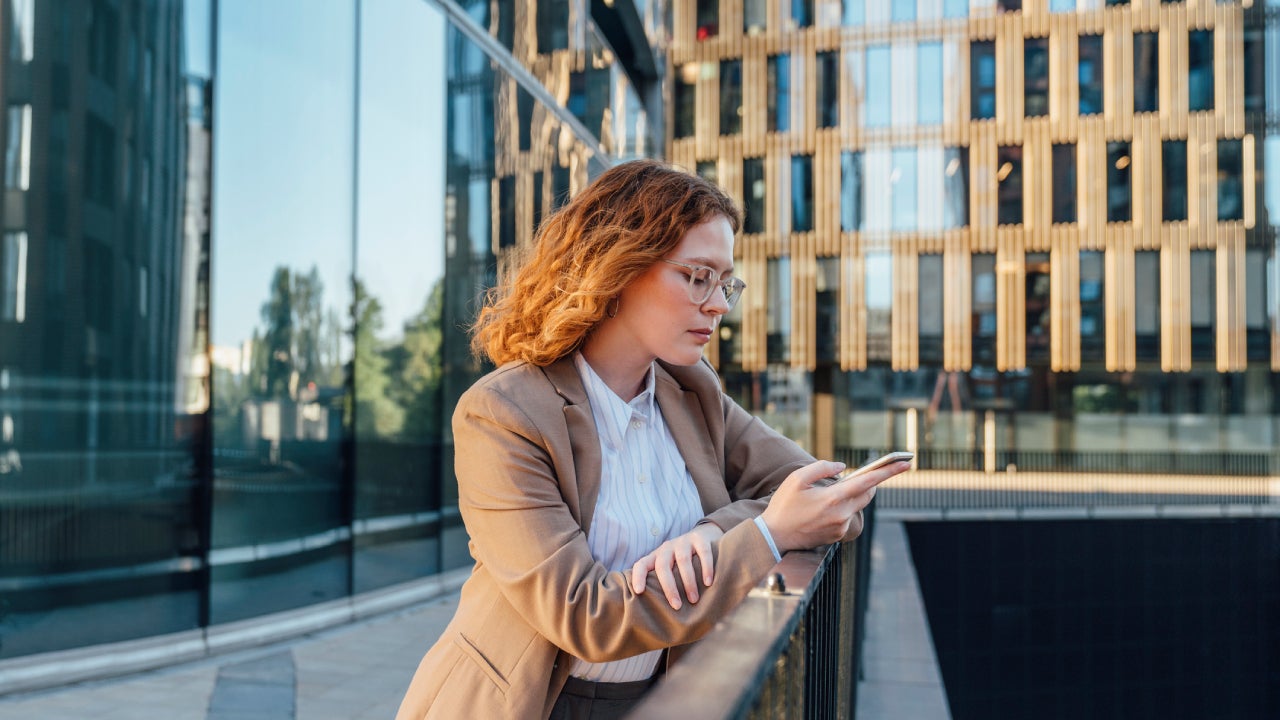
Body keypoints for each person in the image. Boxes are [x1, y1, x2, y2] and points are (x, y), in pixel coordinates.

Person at [396, 160, 908, 720]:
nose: (718, 304)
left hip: (659, 697)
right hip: (521, 705)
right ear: (619, 267)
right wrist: (765, 534)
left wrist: (716, 531)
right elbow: (587, 616)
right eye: (697, 276)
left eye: (726, 283)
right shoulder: (504, 414)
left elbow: (837, 496)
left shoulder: (690, 391)